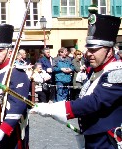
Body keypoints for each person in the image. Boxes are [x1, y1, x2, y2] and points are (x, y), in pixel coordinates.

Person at [31, 11, 122, 149]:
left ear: (110, 51)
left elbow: (94, 102)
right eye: (88, 49)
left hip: (107, 141)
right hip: (93, 137)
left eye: (95, 50)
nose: (89, 54)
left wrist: (54, 109)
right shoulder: (97, 69)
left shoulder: (117, 72)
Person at [0, 21, 30, 148]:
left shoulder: (17, 73)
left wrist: (4, 128)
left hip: (14, 128)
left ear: (10, 53)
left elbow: (19, 104)